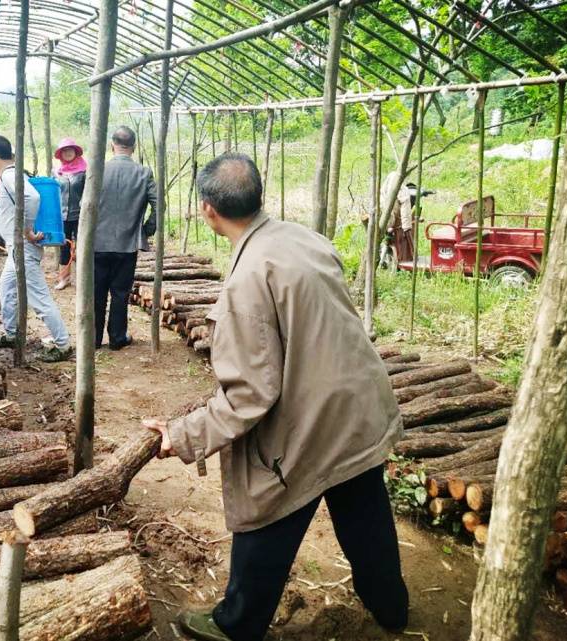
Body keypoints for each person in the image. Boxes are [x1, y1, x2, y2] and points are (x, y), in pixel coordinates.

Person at [144, 154, 408, 641]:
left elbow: (250, 397)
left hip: (314, 419)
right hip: (360, 404)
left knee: (267, 508)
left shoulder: (248, 280)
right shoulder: (306, 238)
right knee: (365, 513)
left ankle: (236, 625)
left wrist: (182, 435)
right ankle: (392, 607)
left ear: (207, 210)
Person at [0, 135, 72, 363]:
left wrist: (27, 230)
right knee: (6, 288)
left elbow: (32, 197)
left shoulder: (9, 176)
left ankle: (62, 344)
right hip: (16, 249)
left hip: (24, 249)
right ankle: (12, 333)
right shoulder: (10, 176)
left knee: (39, 299)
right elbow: (9, 219)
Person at [93, 126, 157, 350]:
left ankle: (93, 339)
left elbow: (85, 205)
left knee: (97, 292)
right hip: (127, 244)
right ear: (134, 146)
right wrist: (147, 229)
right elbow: (158, 204)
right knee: (120, 293)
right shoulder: (144, 173)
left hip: (97, 243)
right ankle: (117, 338)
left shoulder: (97, 170)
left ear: (112, 145)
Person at [53, 137, 87, 290]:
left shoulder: (84, 171)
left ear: (75, 152)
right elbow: (53, 193)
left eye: (70, 150)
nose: (68, 153)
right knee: (64, 246)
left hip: (81, 215)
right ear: (61, 154)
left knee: (83, 246)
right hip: (62, 215)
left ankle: (84, 280)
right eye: (64, 151)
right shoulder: (56, 172)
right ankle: (64, 278)